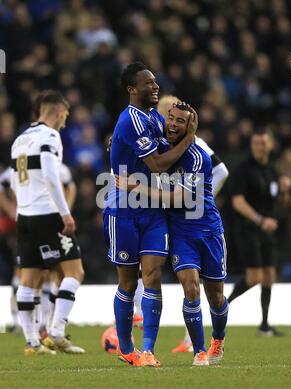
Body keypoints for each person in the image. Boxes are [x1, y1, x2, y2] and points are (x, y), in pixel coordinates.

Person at [116, 102, 229, 366]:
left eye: (181, 121)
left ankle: (218, 339)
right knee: (191, 289)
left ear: (191, 126)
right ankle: (199, 351)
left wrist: (135, 187)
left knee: (216, 296)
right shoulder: (162, 149)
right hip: (180, 233)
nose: (174, 124)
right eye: (171, 118)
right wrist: (118, 142)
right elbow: (139, 149)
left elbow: (177, 196)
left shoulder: (199, 158)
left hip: (208, 230)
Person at [103, 62, 197, 367]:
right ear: (133, 89)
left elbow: (165, 152)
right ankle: (127, 349)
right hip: (124, 209)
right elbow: (158, 164)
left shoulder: (154, 118)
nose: (155, 87)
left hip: (154, 210)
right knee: (129, 283)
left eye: (155, 82)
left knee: (153, 276)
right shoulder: (129, 120)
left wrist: (182, 136)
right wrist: (188, 139)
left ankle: (147, 351)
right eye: (149, 83)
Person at [11, 90, 85, 355]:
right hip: (47, 213)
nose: (65, 121)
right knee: (74, 273)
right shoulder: (49, 136)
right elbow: (51, 175)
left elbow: (12, 179)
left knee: (29, 279)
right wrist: (65, 213)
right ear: (55, 112)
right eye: (64, 115)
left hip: (25, 215)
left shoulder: (20, 140)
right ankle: (56, 332)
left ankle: (32, 342)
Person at [228, 129, 291, 336]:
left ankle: (264, 325)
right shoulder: (244, 170)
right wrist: (260, 220)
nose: (259, 147)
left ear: (270, 145)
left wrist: (284, 190)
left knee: (269, 275)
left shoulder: (272, 171)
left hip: (267, 230)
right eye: (256, 143)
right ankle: (222, 306)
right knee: (254, 276)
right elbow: (237, 202)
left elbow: (280, 203)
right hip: (248, 229)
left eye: (263, 143)